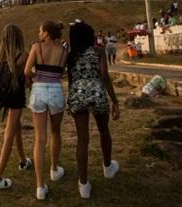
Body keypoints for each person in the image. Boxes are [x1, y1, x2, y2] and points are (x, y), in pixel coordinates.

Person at [67, 21, 120, 199]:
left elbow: (70, 77)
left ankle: (83, 184)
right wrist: (115, 101)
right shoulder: (98, 52)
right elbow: (104, 76)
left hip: (77, 94)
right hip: (97, 93)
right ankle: (107, 167)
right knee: (104, 131)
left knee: (83, 139)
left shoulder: (71, 55)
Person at [24, 21, 68, 200]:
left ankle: (40, 187)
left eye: (40, 31)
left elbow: (27, 71)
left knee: (39, 139)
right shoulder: (64, 50)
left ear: (47, 33)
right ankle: (54, 170)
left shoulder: (36, 47)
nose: (38, 33)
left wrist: (38, 77)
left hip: (39, 91)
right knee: (56, 132)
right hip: (56, 90)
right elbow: (62, 71)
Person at [0, 24, 32, 190]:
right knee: (9, 134)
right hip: (15, 98)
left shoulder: (0, 54)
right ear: (19, 38)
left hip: (2, 96)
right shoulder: (23, 56)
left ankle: (22, 161)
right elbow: (27, 81)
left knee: (16, 127)